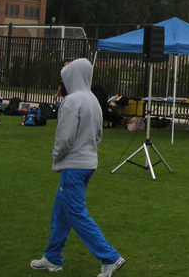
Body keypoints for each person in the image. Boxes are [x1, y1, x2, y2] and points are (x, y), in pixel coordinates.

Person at [31, 58, 126, 276]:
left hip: (73, 167)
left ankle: (109, 257)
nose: (62, 84)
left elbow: (64, 137)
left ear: (71, 77)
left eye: (63, 79)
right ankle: (52, 257)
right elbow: (98, 136)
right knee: (61, 212)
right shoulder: (93, 100)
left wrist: (57, 155)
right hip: (87, 164)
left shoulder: (72, 101)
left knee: (75, 212)